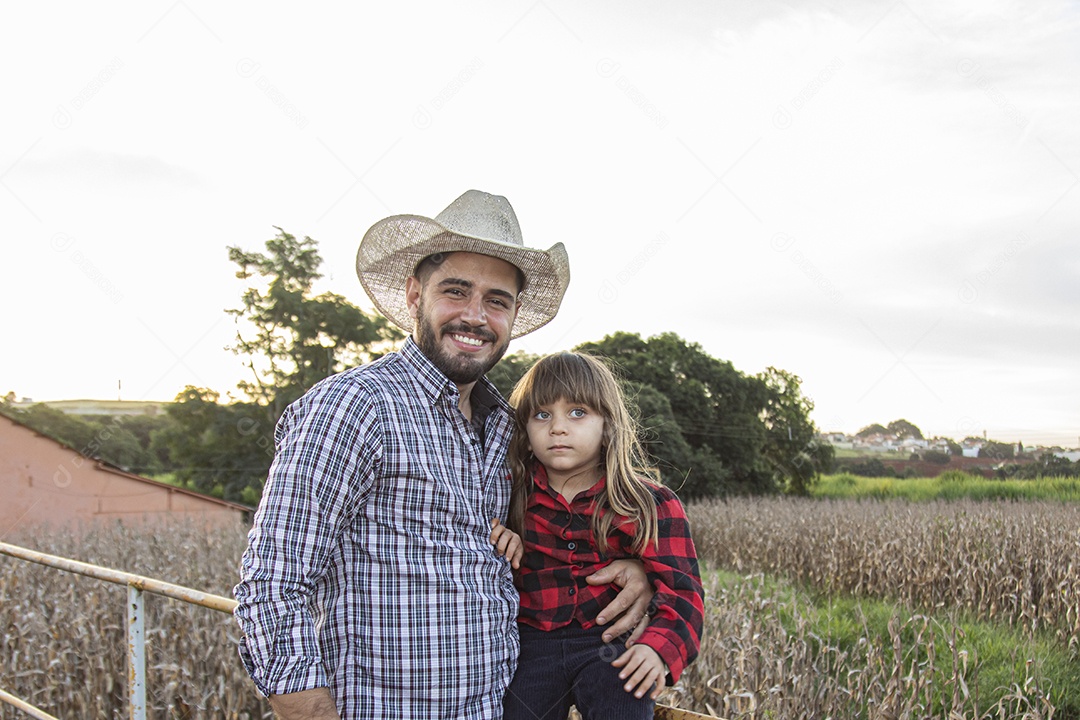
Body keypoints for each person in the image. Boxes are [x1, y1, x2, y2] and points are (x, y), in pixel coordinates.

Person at [233, 190, 654, 720]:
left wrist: (634, 568)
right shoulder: (355, 408)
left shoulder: (508, 428)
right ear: (414, 294)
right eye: (456, 291)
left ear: (513, 313)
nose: (476, 316)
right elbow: (274, 585)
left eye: (497, 300)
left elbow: (554, 530)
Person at [490, 351, 705, 720]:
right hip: (531, 647)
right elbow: (460, 530)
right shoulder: (508, 494)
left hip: (608, 644)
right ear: (524, 430)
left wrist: (656, 649)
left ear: (607, 426)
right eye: (542, 414)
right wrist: (496, 534)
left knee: (625, 700)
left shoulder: (647, 504)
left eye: (577, 413)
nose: (558, 427)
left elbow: (683, 592)